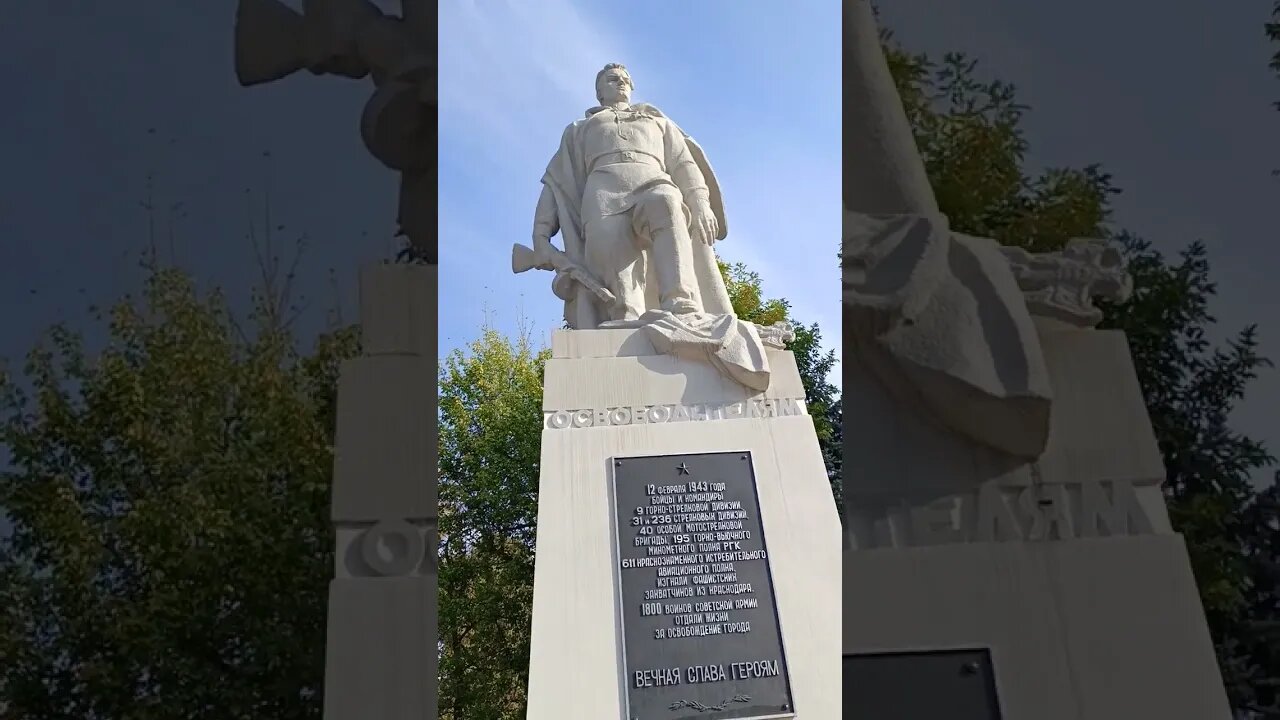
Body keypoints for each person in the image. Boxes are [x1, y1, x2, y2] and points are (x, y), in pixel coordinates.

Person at [530, 63, 735, 329]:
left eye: (626, 79)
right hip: (602, 191)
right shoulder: (580, 128)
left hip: (653, 179)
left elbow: (684, 164)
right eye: (613, 79)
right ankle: (625, 316)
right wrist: (541, 232)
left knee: (668, 203)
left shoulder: (657, 122)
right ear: (599, 91)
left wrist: (700, 202)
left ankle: (680, 302)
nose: (621, 83)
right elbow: (558, 180)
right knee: (612, 249)